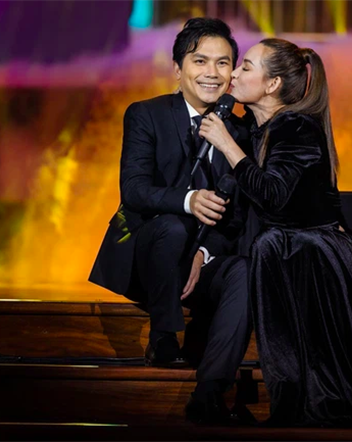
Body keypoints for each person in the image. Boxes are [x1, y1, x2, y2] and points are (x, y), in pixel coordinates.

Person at [199, 38, 352, 427]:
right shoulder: (260, 129)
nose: (234, 74)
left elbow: (274, 195)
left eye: (246, 67)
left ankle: (318, 407)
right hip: (287, 252)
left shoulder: (295, 127)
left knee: (271, 248)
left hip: (317, 258)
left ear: (272, 84)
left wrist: (227, 146)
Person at [89, 18, 253, 424]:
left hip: (200, 258)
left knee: (244, 269)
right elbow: (134, 190)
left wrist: (204, 253)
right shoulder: (146, 114)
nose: (212, 73)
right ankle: (163, 335)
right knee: (172, 227)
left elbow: (238, 214)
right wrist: (188, 200)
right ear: (178, 69)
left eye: (223, 63)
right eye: (200, 61)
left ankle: (211, 389)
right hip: (152, 253)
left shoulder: (241, 129)